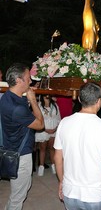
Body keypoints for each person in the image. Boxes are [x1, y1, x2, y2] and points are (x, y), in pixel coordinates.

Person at [54, 82, 101, 210]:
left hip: (70, 191)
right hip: (94, 195)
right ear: (99, 101)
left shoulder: (64, 123)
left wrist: (62, 181)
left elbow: (57, 158)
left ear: (79, 99)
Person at [0, 63, 44, 209]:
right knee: (18, 197)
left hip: (14, 148)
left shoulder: (8, 96)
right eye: (28, 78)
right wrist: (33, 99)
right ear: (19, 81)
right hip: (21, 155)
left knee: (18, 192)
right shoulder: (17, 107)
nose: (30, 81)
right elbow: (40, 124)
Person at [35, 95, 61, 176]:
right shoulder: (39, 105)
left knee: (52, 148)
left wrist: (55, 128)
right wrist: (44, 129)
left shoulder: (55, 105)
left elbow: (58, 118)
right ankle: (41, 166)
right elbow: (37, 118)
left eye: (48, 95)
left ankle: (53, 165)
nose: (47, 96)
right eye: (45, 95)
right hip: (43, 129)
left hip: (53, 130)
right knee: (42, 148)